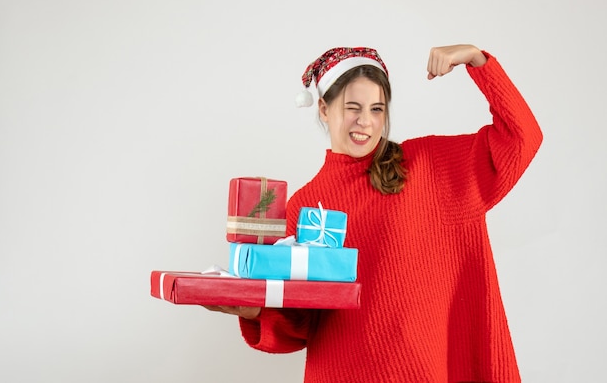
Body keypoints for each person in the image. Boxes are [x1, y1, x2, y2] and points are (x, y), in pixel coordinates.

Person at [205, 44, 543, 382]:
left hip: (427, 372)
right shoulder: (304, 204)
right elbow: (301, 323)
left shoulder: (429, 166)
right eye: (353, 107)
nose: (365, 121)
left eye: (377, 109)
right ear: (324, 108)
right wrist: (252, 309)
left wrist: (476, 60)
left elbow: (522, 138)